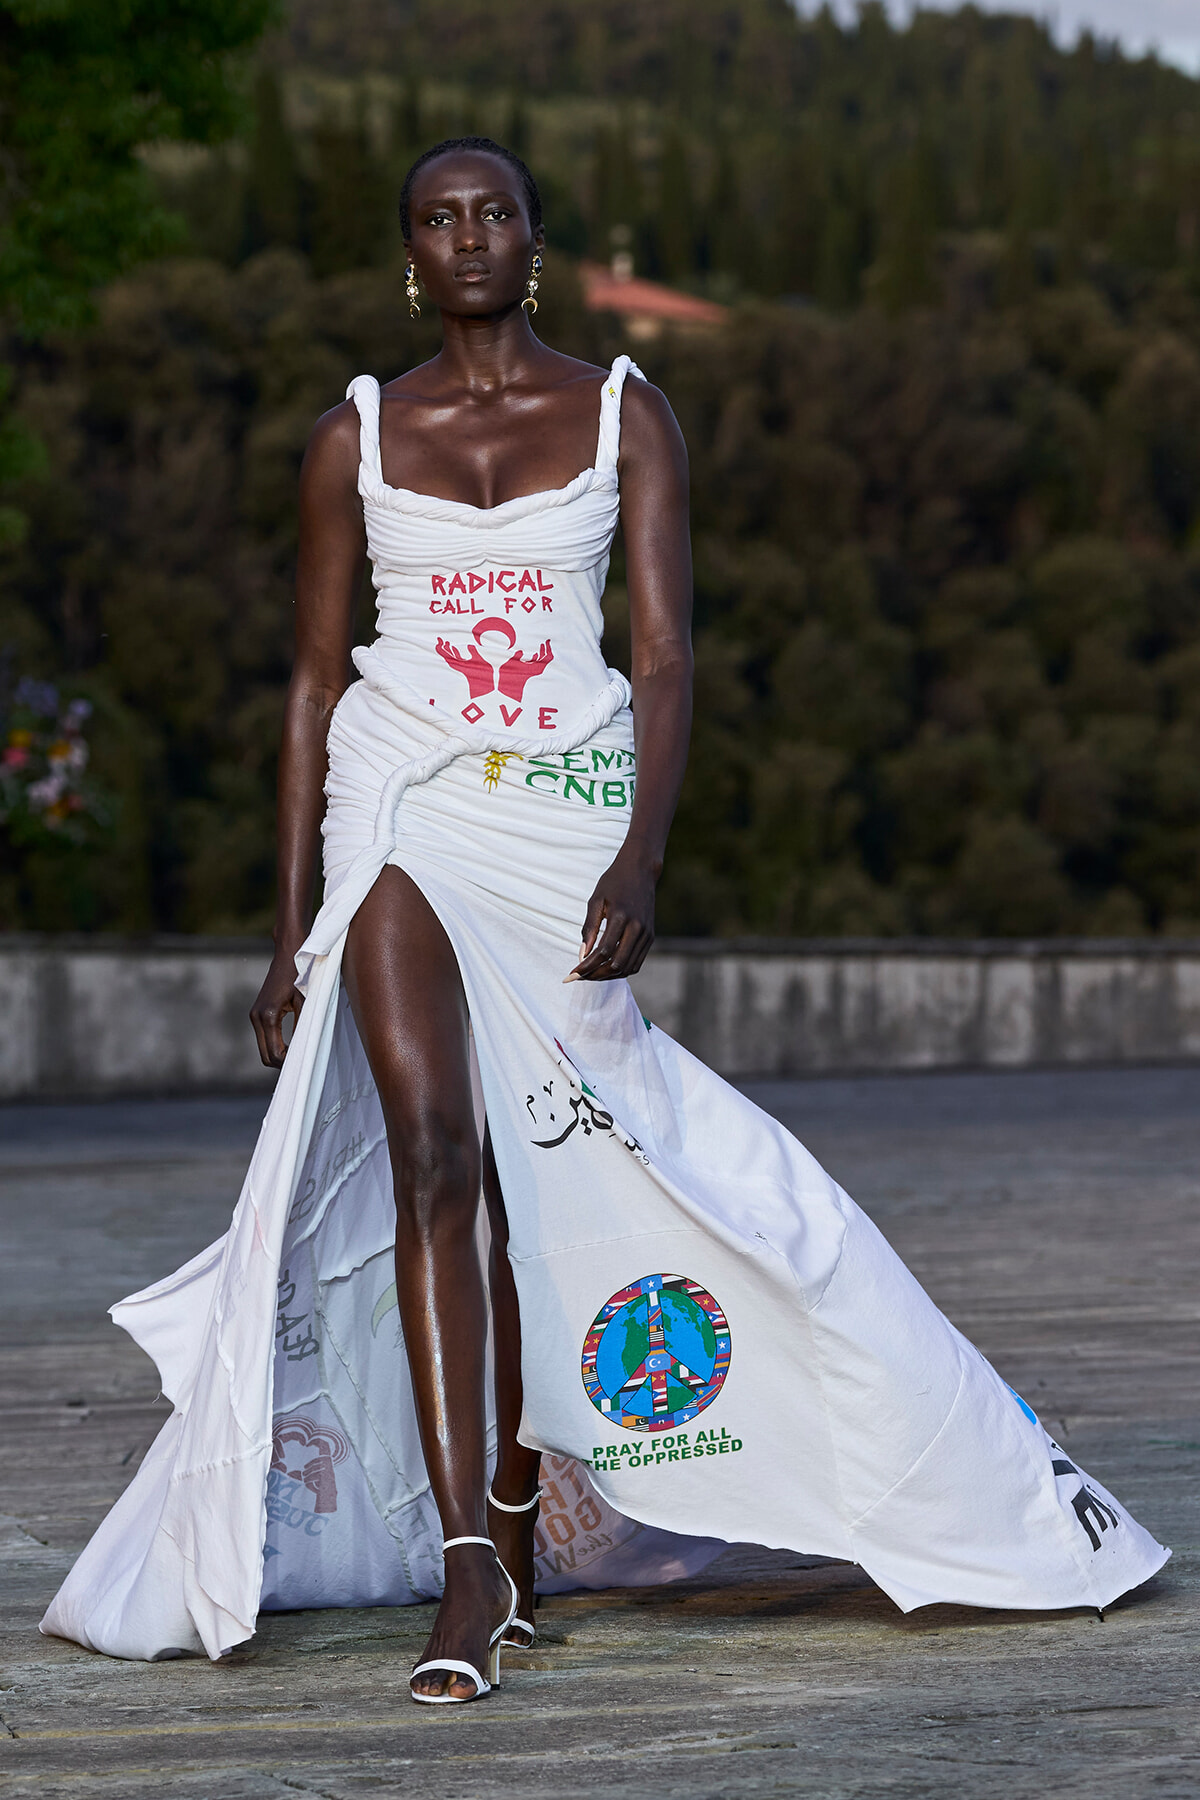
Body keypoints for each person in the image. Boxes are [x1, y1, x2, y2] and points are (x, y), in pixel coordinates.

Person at [40, 138, 1168, 1698]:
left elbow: (668, 655)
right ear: (409, 262)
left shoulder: (631, 413)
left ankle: (570, 1504)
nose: (470, 236)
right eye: (440, 220)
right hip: (399, 808)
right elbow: (309, 686)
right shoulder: (351, 437)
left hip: (561, 815)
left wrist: (641, 856)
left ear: (537, 242)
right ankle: (469, 1575)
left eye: (495, 212)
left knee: (577, 1167)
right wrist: (288, 926)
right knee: (435, 1153)